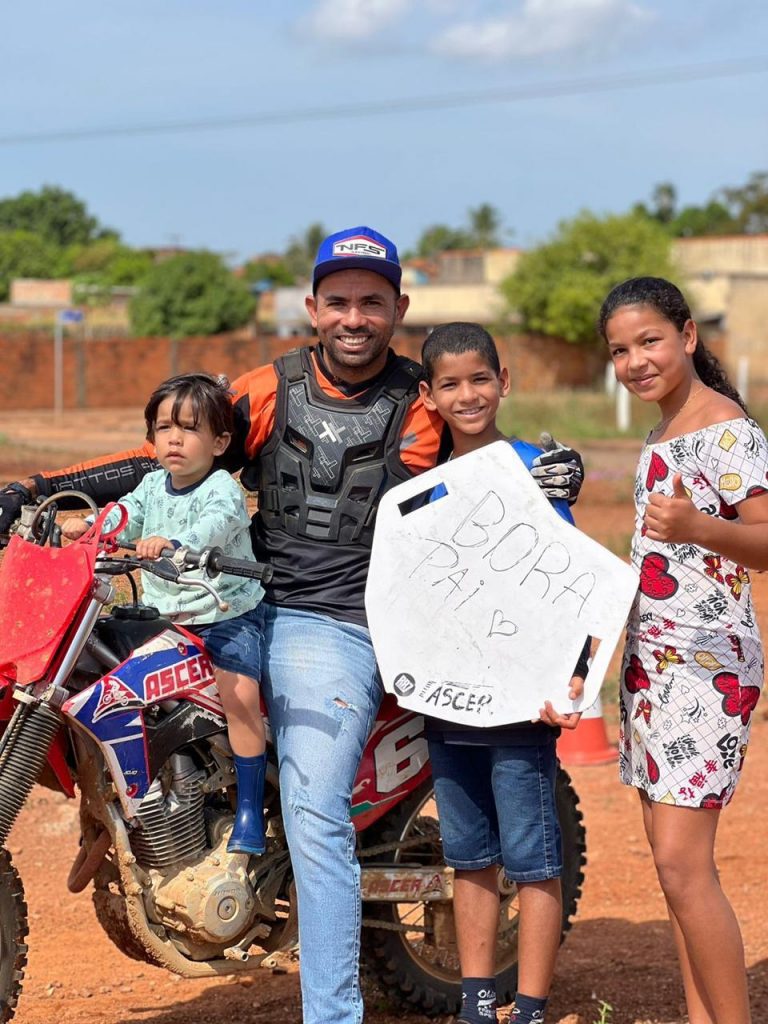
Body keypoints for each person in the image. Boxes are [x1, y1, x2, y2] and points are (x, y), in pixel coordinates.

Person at [0, 227, 584, 1024]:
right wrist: (36, 489)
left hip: (340, 624)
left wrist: (551, 471)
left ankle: (332, 1014)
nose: (354, 317)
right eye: (338, 300)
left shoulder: (421, 403)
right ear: (312, 308)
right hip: (238, 602)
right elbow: (166, 455)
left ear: (397, 309)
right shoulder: (266, 390)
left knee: (314, 804)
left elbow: (484, 456)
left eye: (371, 302)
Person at [599, 276, 768, 1024]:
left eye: (649, 341)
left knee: (681, 865)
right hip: (652, 668)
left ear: (689, 336)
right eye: (620, 351)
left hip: (705, 668)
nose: (635, 361)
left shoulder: (726, 428)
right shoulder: (663, 430)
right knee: (676, 874)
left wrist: (700, 527)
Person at [418, 322, 588, 1024]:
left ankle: (533, 1007)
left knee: (533, 860)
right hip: (448, 701)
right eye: (450, 384)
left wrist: (570, 677)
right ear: (428, 396)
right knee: (468, 858)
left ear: (505, 381)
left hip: (521, 706)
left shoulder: (535, 468)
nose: (468, 395)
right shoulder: (424, 486)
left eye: (480, 379)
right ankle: (478, 1000)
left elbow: (569, 580)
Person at [62, 373, 269, 855]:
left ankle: (249, 810)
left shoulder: (222, 488)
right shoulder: (153, 485)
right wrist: (89, 525)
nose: (174, 439)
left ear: (220, 442)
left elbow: (215, 525)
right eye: (163, 428)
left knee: (240, 696)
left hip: (224, 612)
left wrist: (179, 544)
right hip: (166, 614)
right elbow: (123, 514)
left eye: (190, 429)